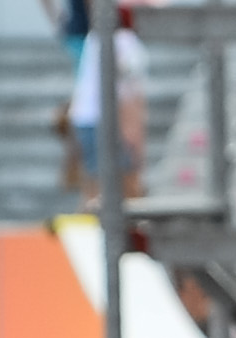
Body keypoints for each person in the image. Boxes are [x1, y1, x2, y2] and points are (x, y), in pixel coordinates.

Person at [64, 0, 145, 204]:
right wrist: (134, 144)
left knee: (93, 190)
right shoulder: (123, 42)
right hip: (106, 121)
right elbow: (128, 97)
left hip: (86, 118)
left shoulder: (96, 37)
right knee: (123, 191)